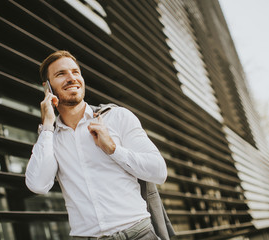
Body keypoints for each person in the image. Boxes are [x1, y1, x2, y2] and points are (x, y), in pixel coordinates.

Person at [25, 50, 168, 239]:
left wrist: (113, 149)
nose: (71, 78)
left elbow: (159, 171)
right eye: (61, 74)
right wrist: (47, 125)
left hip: (138, 234)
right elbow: (37, 185)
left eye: (75, 72)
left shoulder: (117, 117)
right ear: (47, 87)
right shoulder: (51, 138)